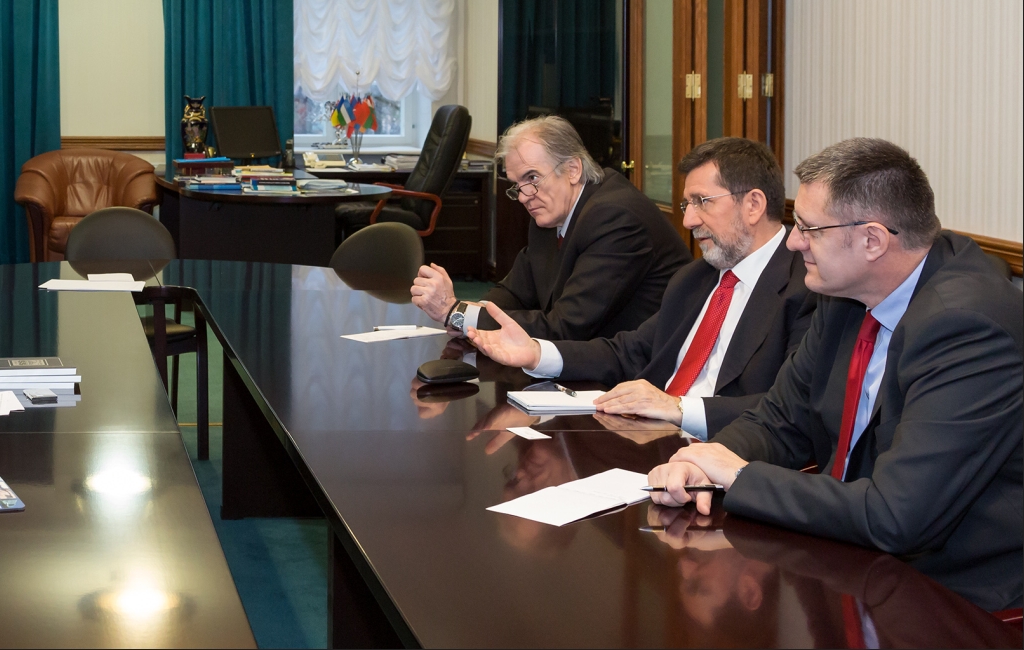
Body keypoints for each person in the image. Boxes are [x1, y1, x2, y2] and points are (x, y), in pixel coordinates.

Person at [647, 138, 1022, 612]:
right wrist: (702, 461)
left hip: (952, 595)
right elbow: (780, 420)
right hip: (846, 557)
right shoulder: (843, 292)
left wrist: (738, 475)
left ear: (872, 240)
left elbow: (897, 516)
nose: (793, 241)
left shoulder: (966, 327)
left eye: (809, 229)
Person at [466, 138, 816, 438]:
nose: (688, 220)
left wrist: (679, 408)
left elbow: (790, 405)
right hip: (649, 439)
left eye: (702, 201)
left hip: (728, 450)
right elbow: (631, 352)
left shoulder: (807, 290)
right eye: (687, 204)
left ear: (753, 205)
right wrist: (537, 354)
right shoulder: (695, 279)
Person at [412, 115, 689, 340]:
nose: (523, 196)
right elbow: (516, 291)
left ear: (573, 170)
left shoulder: (615, 218)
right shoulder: (551, 210)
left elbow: (567, 326)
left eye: (532, 177)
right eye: (517, 184)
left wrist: (458, 313)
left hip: (648, 369)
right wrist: (470, 315)